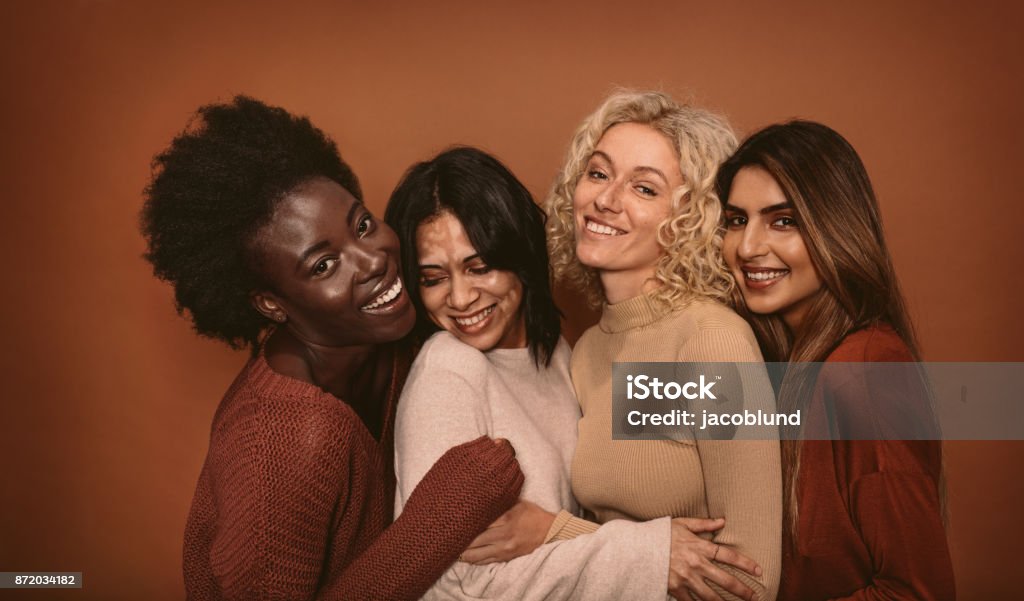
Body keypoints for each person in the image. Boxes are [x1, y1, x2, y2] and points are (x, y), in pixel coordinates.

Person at [140, 96, 524, 601]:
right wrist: (435, 522)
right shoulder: (284, 441)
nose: (372, 261)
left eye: (362, 225)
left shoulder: (398, 337)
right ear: (273, 305)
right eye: (323, 266)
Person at [386, 146, 761, 600]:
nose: (461, 298)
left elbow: (749, 572)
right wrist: (650, 554)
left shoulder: (567, 357)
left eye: (479, 267)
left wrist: (559, 531)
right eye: (433, 278)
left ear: (518, 253)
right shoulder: (448, 368)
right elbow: (457, 585)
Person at [545, 90, 782, 601]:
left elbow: (750, 583)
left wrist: (553, 532)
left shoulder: (711, 342)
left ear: (690, 218)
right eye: (599, 173)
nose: (606, 200)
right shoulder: (586, 351)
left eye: (644, 189)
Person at [716, 120, 956, 600]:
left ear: (836, 228)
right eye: (737, 220)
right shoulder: (789, 365)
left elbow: (915, 592)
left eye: (783, 221)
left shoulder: (864, 372)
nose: (747, 248)